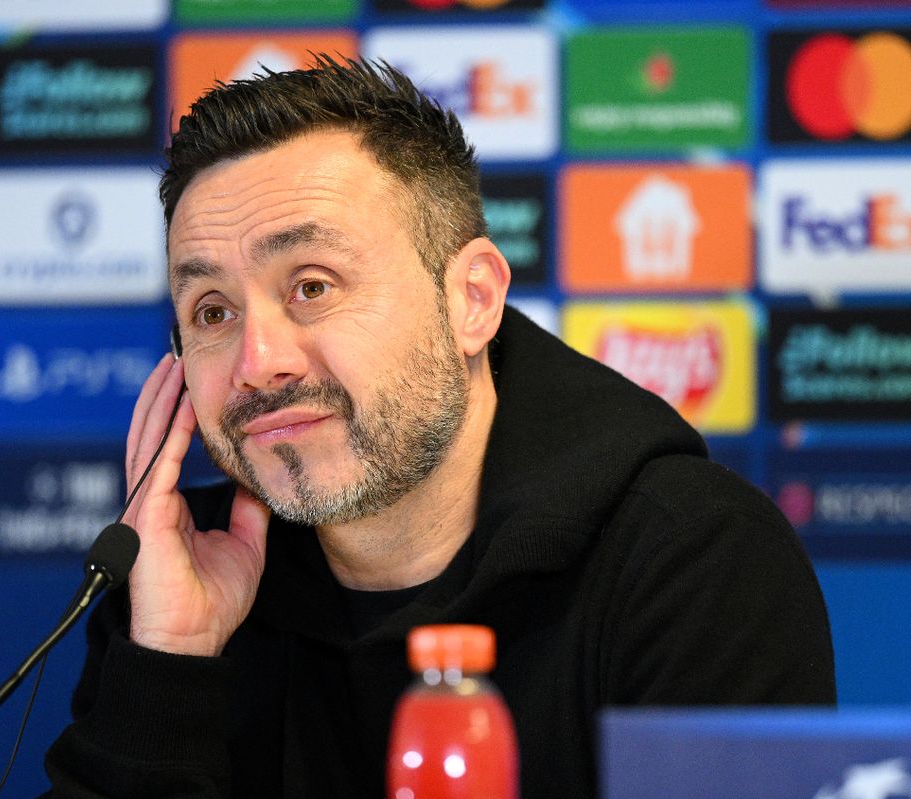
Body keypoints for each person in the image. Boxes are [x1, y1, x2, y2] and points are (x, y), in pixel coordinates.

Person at [42, 56, 835, 799]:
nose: (258, 361)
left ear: (473, 300)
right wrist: (169, 663)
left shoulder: (692, 561)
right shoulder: (177, 581)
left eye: (312, 286)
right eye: (212, 311)